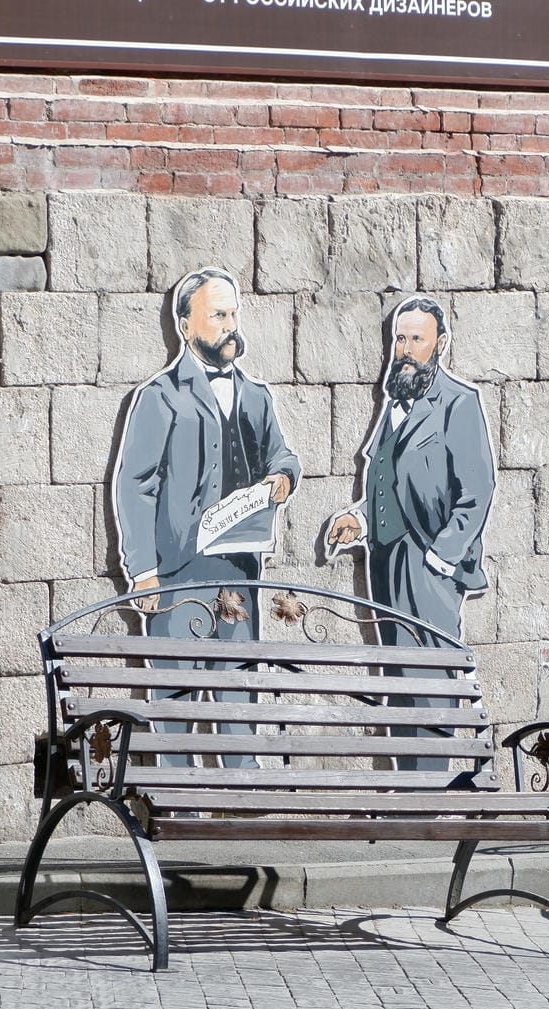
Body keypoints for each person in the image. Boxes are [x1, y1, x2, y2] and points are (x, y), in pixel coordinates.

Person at [111, 267, 300, 768]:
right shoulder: (159, 396)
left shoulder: (256, 395)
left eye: (234, 314)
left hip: (238, 573)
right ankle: (176, 800)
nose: (230, 326)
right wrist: (143, 571)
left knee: (239, 697)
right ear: (185, 324)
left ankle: (244, 795)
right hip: (177, 577)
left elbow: (281, 455)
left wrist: (283, 476)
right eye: (218, 315)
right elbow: (135, 486)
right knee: (174, 702)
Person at [324, 295, 496, 769]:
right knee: (399, 677)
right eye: (399, 338)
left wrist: (442, 557)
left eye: (416, 339)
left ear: (440, 343)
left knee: (432, 676)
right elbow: (391, 479)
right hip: (386, 562)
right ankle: (409, 784)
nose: (404, 349)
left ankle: (433, 782)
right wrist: (360, 520)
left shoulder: (459, 403)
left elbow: (477, 489)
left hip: (429, 565)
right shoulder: (396, 400)